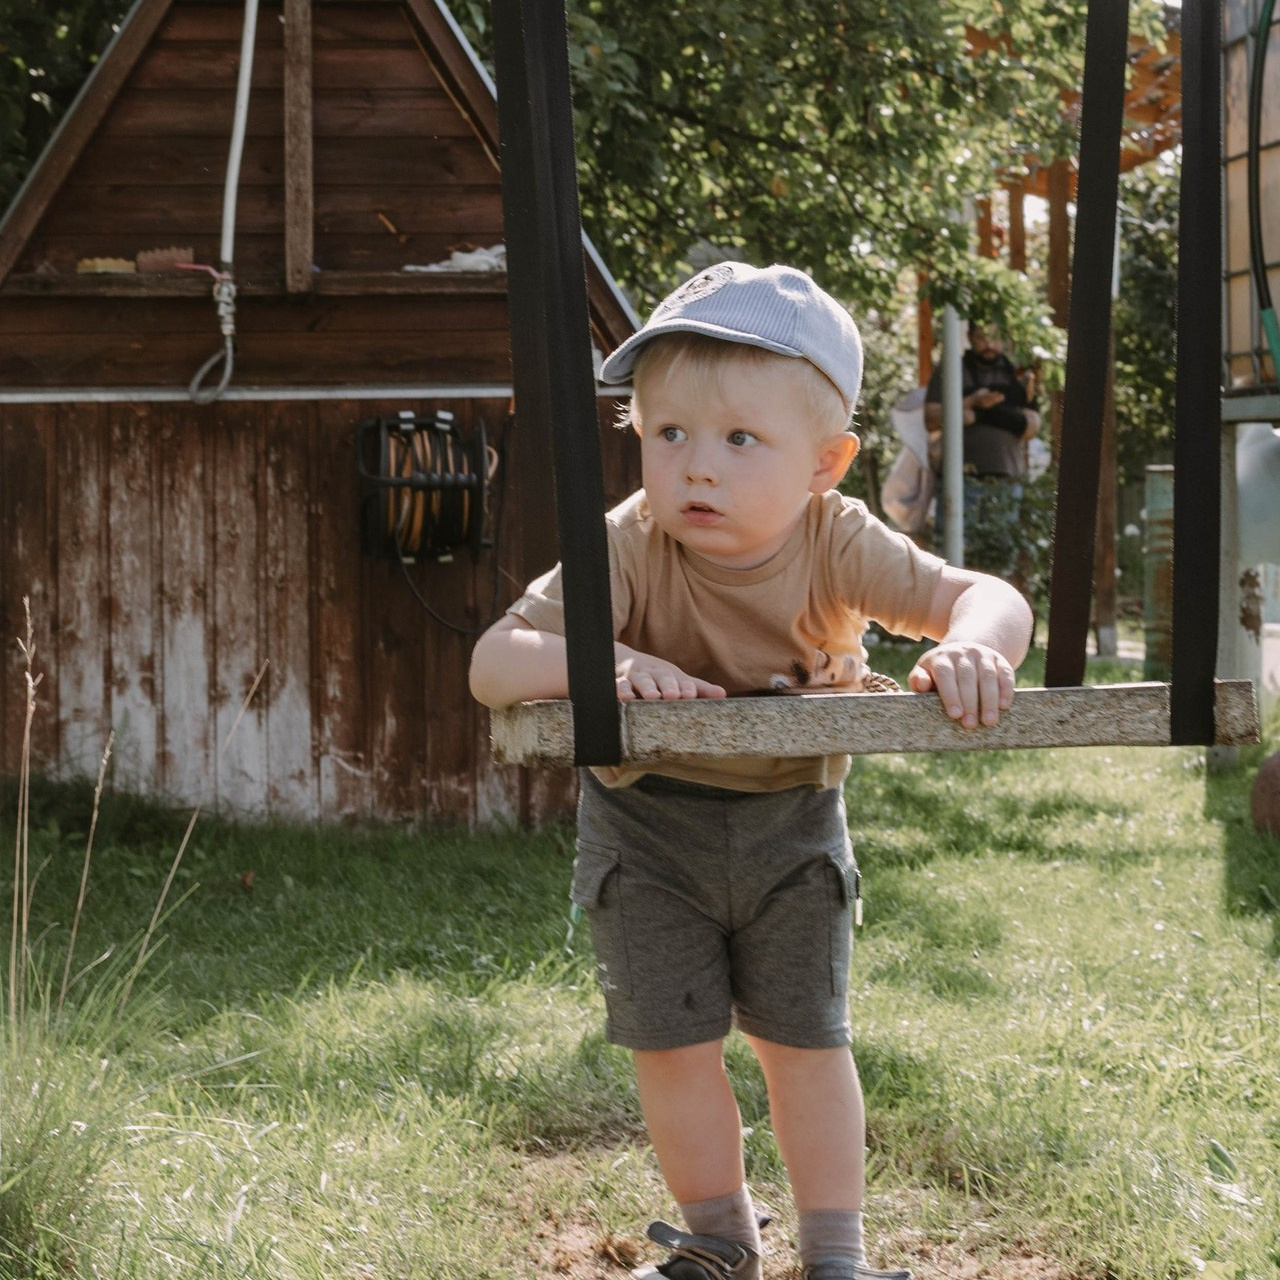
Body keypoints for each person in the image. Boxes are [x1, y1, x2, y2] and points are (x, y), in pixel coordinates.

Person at [469, 263, 1033, 1280]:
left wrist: (973, 647)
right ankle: (717, 1235)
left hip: (791, 824)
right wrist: (604, 658)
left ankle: (833, 1255)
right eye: (668, 432)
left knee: (803, 1043)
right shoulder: (628, 545)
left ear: (824, 463)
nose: (696, 467)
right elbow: (492, 662)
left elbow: (982, 592)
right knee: (671, 1047)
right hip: (645, 832)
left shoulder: (836, 538)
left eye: (738, 439)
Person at [923, 322, 1040, 577]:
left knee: (1000, 561)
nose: (989, 344)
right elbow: (931, 418)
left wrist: (980, 414)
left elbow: (1032, 425)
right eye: (981, 337)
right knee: (951, 560)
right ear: (970, 337)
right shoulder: (952, 369)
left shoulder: (1016, 374)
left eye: (995, 337)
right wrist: (972, 403)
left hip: (1005, 482)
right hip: (959, 480)